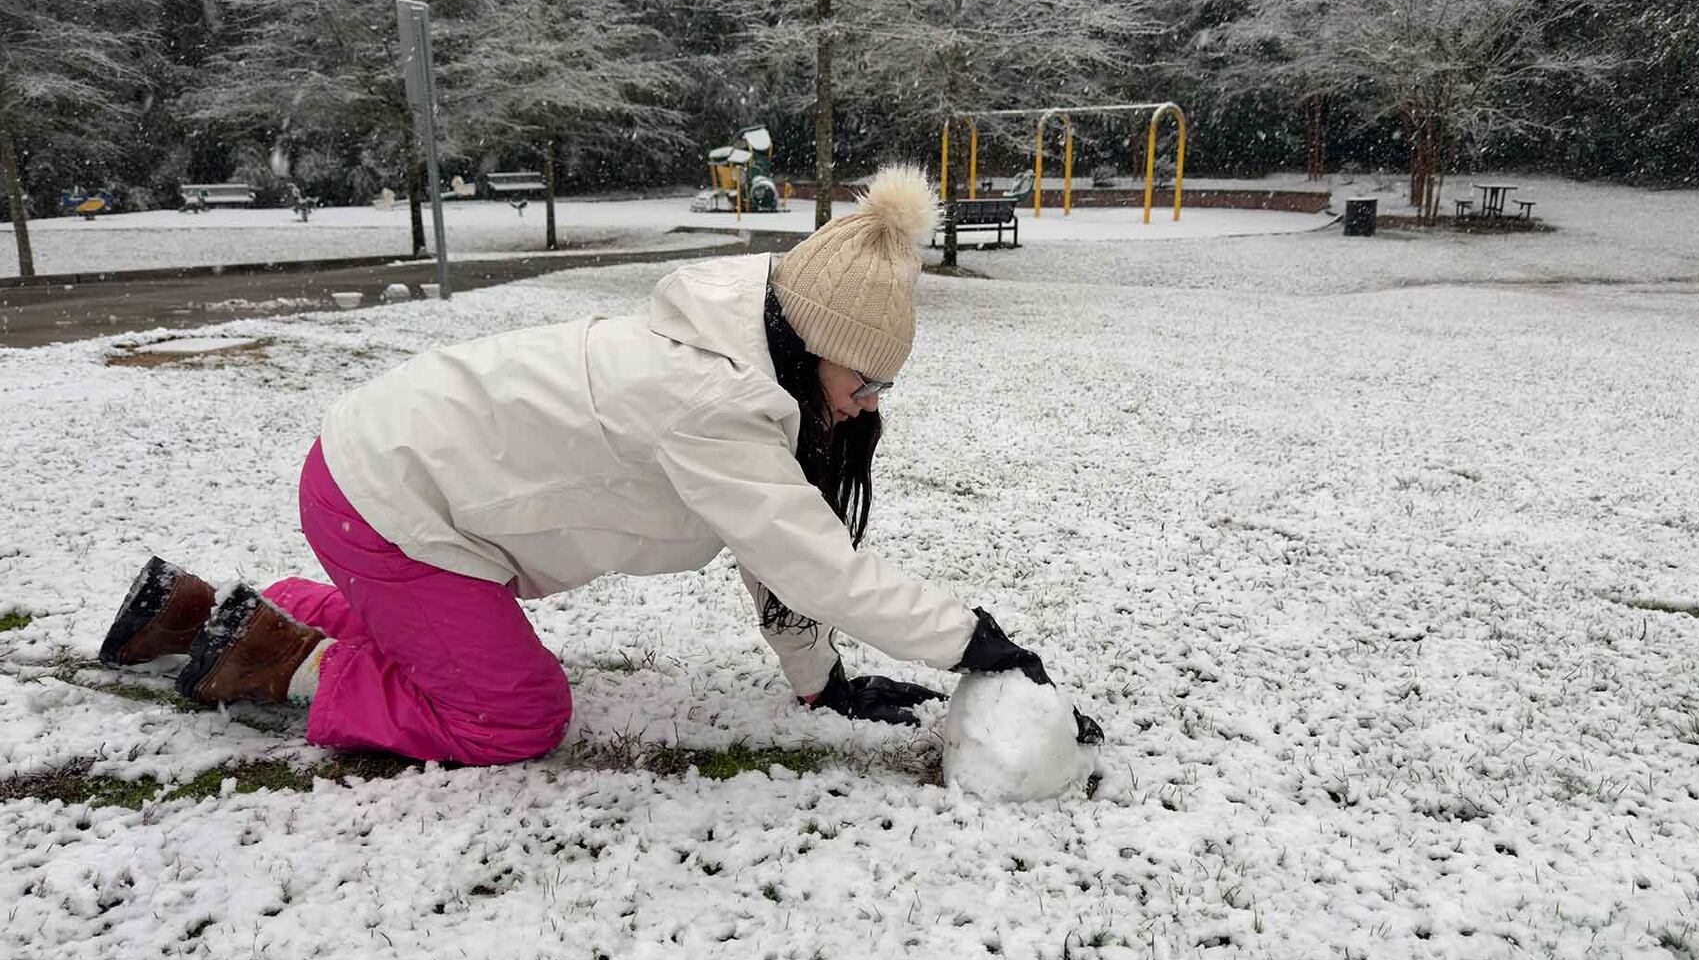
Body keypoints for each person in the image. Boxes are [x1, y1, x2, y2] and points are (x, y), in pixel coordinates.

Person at [98, 165, 1099, 766]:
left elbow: (772, 542)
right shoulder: (710, 400)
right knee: (514, 714)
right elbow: (811, 562)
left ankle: (202, 610)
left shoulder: (746, 363)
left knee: (441, 642)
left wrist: (820, 681)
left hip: (378, 479)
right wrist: (976, 643)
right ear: (814, 341)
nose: (866, 403)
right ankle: (282, 660)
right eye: (864, 380)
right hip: (389, 505)